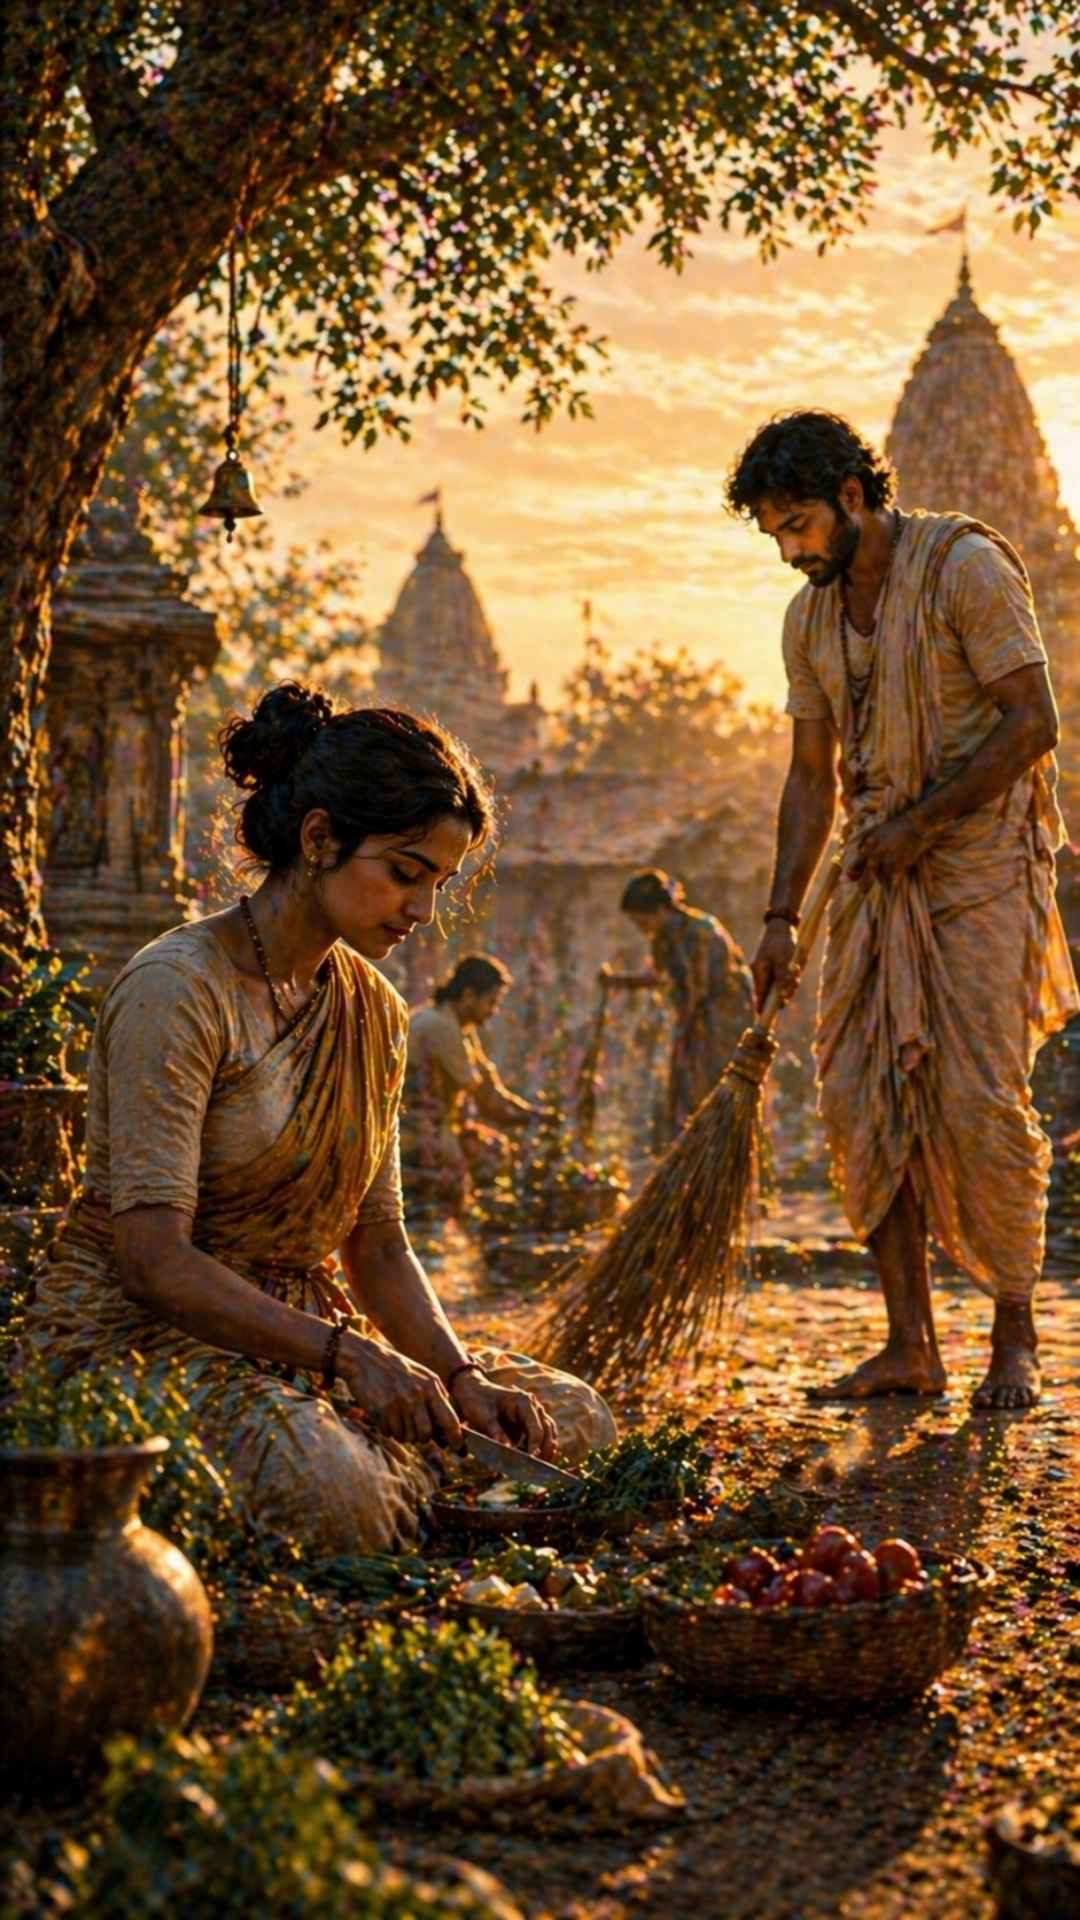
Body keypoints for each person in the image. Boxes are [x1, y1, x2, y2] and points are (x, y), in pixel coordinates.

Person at [25, 683, 614, 1552]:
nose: (423, 912)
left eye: (440, 885)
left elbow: (378, 1247)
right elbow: (152, 1263)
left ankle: (402, 1469)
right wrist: (347, 1356)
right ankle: (384, 1486)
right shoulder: (178, 989)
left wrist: (460, 1374)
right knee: (335, 1491)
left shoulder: (373, 1010)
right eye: (405, 874)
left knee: (573, 1420)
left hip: (311, 1335)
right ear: (318, 839)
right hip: (146, 1338)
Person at [727, 409, 1078, 1410]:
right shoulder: (809, 619)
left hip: (980, 864)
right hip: (876, 872)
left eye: (798, 525)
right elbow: (809, 777)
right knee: (861, 1096)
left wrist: (922, 824)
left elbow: (1034, 722)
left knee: (975, 1099)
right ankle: (909, 1346)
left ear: (851, 496)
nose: (790, 552)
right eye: (773, 535)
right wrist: (781, 918)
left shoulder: (965, 567)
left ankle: (1014, 1334)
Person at [601, 869, 754, 1142]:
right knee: (686, 1092)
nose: (641, 928)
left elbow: (699, 988)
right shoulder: (663, 938)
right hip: (697, 1020)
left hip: (723, 1021)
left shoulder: (700, 931)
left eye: (642, 920)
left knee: (713, 1088)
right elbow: (661, 978)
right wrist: (619, 981)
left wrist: (684, 1028)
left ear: (660, 910)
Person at [401, 954, 548, 1221]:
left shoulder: (459, 1026)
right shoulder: (439, 1026)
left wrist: (532, 1113)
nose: (494, 1011)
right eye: (492, 1002)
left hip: (436, 1124)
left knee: (492, 1147)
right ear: (469, 995)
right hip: (414, 1128)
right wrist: (530, 1119)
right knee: (491, 1155)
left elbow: (492, 1087)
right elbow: (486, 1100)